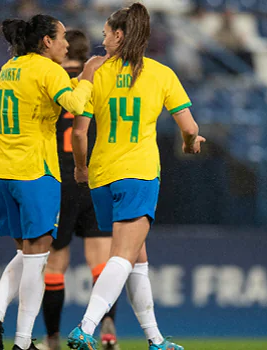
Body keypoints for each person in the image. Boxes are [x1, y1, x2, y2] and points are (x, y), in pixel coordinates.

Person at [66, 3, 205, 350]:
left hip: (100, 176)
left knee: (137, 259)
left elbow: (79, 133)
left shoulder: (94, 70)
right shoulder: (161, 74)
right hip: (138, 174)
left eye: (105, 34)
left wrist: (81, 168)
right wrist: (190, 144)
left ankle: (155, 340)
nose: (102, 40)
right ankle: (85, 328)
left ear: (118, 35)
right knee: (124, 257)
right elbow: (189, 127)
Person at [0, 14, 106, 350]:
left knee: (26, 256)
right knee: (36, 263)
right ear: (46, 41)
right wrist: (88, 74)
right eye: (62, 37)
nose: (67, 43)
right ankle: (20, 341)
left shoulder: (11, 66)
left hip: (2, 171)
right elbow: (76, 104)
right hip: (35, 172)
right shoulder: (48, 69)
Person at [40, 29, 119, 350]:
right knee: (101, 262)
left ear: (63, 49)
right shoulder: (101, 81)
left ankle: (53, 338)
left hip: (60, 178)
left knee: (54, 264)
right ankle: (108, 330)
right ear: (88, 53)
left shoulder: (51, 80)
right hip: (97, 176)